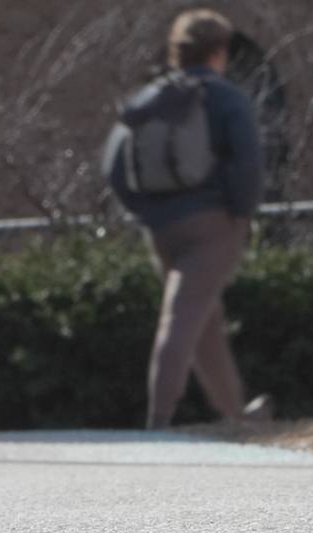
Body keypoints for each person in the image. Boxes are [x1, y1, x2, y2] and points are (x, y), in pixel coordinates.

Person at [103, 9, 271, 429]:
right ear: (218, 52)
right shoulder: (227, 98)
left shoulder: (149, 99)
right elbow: (249, 164)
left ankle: (236, 413)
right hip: (213, 225)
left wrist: (145, 211)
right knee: (182, 318)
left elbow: (113, 165)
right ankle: (157, 422)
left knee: (203, 319)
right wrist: (239, 213)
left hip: (161, 228)